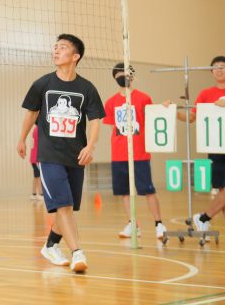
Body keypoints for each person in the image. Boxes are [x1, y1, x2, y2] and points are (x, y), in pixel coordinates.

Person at [17, 34, 104, 273]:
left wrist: (90, 146)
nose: (56, 51)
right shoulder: (42, 84)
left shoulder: (86, 88)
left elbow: (95, 119)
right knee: (63, 206)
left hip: (76, 155)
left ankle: (50, 246)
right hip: (49, 155)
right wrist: (22, 139)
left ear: (75, 57)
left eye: (62, 48)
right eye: (55, 47)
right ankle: (78, 252)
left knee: (68, 207)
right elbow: (31, 113)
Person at [102, 63, 165, 240]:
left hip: (139, 152)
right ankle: (133, 224)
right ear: (115, 78)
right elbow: (112, 128)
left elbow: (155, 116)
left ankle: (159, 224)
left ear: (133, 76)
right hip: (119, 154)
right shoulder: (111, 102)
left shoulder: (144, 98)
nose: (123, 75)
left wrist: (165, 107)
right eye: (119, 73)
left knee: (148, 190)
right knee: (124, 192)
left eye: (127, 72)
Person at [186, 56, 225, 244]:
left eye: (222, 67)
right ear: (211, 72)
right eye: (215, 67)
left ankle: (203, 217)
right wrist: (171, 110)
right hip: (216, 147)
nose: (219, 70)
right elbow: (191, 117)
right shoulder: (205, 94)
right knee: (223, 190)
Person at [29, 128, 43, 200]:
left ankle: (34, 194)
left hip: (34, 157)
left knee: (36, 176)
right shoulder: (38, 130)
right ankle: (40, 194)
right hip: (36, 158)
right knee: (38, 176)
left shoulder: (35, 129)